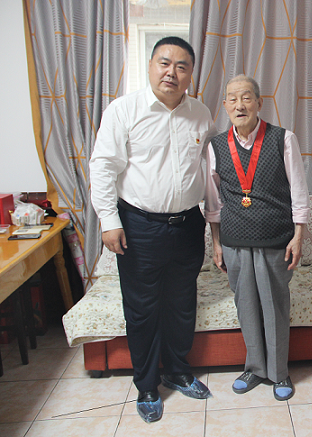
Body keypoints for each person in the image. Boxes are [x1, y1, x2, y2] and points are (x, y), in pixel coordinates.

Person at [89, 36, 215, 423]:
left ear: (191, 74)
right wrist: (109, 221)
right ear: (150, 66)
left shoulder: (201, 114)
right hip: (139, 226)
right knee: (142, 310)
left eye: (181, 66)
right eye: (164, 63)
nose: (171, 72)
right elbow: (103, 167)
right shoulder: (124, 110)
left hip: (188, 224)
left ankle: (177, 371)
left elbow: (209, 171)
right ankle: (146, 385)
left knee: (181, 304)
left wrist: (214, 221)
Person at [205, 75, 310, 402]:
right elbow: (213, 201)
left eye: (246, 97)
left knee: (274, 305)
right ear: (225, 105)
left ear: (259, 103)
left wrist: (299, 236)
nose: (240, 105)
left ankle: (279, 372)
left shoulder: (283, 138)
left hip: (275, 238)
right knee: (246, 304)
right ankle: (254, 368)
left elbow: (299, 190)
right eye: (233, 99)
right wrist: (216, 242)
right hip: (234, 240)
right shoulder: (216, 146)